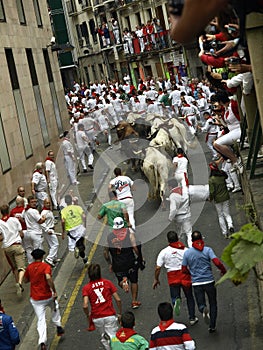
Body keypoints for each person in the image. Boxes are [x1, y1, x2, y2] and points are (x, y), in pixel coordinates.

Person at [182, 231, 227, 333]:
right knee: (213, 303)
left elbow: (183, 269)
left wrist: (191, 273)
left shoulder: (187, 253)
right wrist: (223, 271)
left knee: (200, 303)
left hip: (196, 283)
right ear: (202, 239)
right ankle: (212, 326)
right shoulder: (208, 250)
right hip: (209, 281)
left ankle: (203, 309)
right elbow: (217, 262)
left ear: (192, 241)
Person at [153, 231, 198, 326]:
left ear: (168, 240)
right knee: (189, 297)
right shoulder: (186, 250)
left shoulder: (164, 252)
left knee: (174, 295)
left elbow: (157, 267)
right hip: (184, 275)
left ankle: (176, 301)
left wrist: (156, 279)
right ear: (177, 238)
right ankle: (192, 318)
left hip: (172, 276)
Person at [24, 249, 64, 350]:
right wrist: (54, 290)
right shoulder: (46, 266)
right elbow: (48, 277)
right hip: (47, 295)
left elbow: (25, 280)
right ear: (42, 257)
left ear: (33, 257)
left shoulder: (29, 267)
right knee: (55, 308)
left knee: (41, 319)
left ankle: (42, 341)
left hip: (36, 298)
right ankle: (58, 324)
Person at [104, 217, 141, 309]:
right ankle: (134, 301)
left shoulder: (109, 237)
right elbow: (134, 247)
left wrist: (109, 263)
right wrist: (140, 256)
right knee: (134, 281)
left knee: (120, 280)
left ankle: (123, 282)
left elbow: (105, 252)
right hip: (130, 261)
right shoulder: (129, 234)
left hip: (117, 264)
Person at [82, 263, 121, 350]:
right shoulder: (107, 283)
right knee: (113, 336)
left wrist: (88, 315)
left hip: (97, 317)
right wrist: (119, 313)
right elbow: (118, 299)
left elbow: (85, 305)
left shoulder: (86, 288)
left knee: (104, 337)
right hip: (109, 314)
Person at [213, 91, 243, 174]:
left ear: (221, 101)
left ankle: (236, 161)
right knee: (217, 143)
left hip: (239, 130)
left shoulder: (233, 105)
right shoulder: (225, 109)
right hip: (232, 132)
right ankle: (234, 160)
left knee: (217, 144)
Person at [0, 205, 26, 296]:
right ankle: (19, 283)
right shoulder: (14, 220)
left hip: (7, 248)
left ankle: (18, 284)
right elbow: (21, 234)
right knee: (21, 267)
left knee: (14, 267)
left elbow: (0, 237)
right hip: (16, 246)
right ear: (9, 210)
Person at [208, 162, 234, 238]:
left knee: (220, 215)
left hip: (217, 199)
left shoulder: (211, 180)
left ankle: (225, 232)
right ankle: (230, 225)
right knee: (227, 213)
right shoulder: (222, 176)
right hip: (225, 197)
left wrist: (210, 198)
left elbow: (212, 191)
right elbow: (226, 176)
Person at [61, 194, 88, 265]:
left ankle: (80, 251)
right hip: (79, 228)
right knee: (81, 242)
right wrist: (84, 226)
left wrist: (63, 232)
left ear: (65, 202)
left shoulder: (63, 211)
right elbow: (84, 216)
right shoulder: (77, 207)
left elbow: (63, 221)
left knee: (76, 244)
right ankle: (82, 254)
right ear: (71, 200)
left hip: (71, 230)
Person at [168, 180, 192, 248]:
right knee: (189, 233)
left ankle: (182, 248)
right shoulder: (184, 191)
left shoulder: (172, 195)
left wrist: (170, 218)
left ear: (170, 187)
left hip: (178, 217)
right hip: (187, 214)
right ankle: (191, 248)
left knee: (180, 234)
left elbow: (173, 209)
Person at [23, 196, 47, 263]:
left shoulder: (25, 210)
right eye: (32, 202)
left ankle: (30, 264)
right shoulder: (34, 211)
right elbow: (40, 221)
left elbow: (22, 219)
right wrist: (44, 218)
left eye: (35, 202)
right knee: (38, 250)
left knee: (29, 249)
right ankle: (39, 265)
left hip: (28, 233)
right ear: (29, 203)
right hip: (35, 233)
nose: (34, 203)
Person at [41, 198, 59, 267]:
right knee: (55, 244)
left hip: (51, 229)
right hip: (49, 231)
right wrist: (47, 230)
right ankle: (49, 258)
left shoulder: (49, 211)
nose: (48, 204)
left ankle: (54, 258)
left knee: (52, 245)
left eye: (49, 203)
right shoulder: (44, 212)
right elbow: (42, 223)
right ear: (44, 204)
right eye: (47, 203)